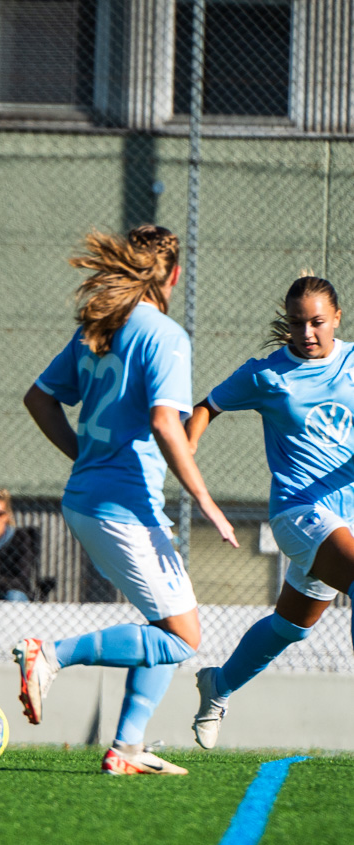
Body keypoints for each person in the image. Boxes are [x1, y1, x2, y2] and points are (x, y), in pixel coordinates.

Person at [11, 225, 238, 775]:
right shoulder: (166, 335)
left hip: (91, 499)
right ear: (174, 274)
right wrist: (205, 499)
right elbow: (165, 422)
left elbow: (38, 399)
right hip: (122, 507)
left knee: (167, 627)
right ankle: (50, 656)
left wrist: (84, 454)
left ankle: (127, 747)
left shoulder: (99, 328)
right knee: (183, 639)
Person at [188, 273, 354, 749]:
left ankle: (218, 685)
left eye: (317, 322)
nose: (307, 333)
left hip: (344, 519)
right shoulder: (267, 374)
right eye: (297, 324)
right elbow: (208, 406)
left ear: (337, 318)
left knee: (291, 627)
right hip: (297, 512)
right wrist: (188, 445)